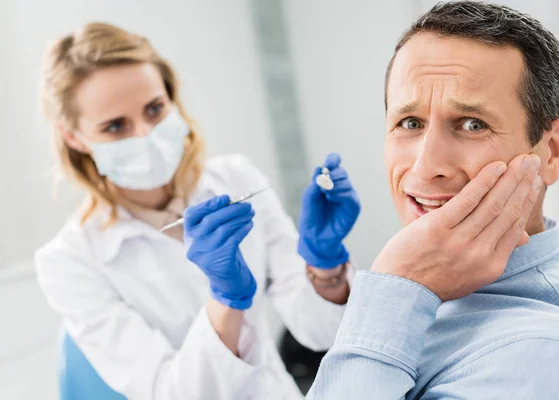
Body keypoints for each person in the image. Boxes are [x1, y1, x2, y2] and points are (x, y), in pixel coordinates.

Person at [35, 23, 360, 399]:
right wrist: (226, 300)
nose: (145, 135)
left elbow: (320, 332)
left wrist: (325, 265)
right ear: (74, 137)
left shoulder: (235, 179)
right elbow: (172, 393)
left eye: (155, 109)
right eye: (115, 126)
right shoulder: (69, 261)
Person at [308, 2, 559, 399]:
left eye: (472, 124)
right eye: (409, 123)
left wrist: (400, 284)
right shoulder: (430, 294)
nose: (426, 168)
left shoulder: (541, 357)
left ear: (553, 150)